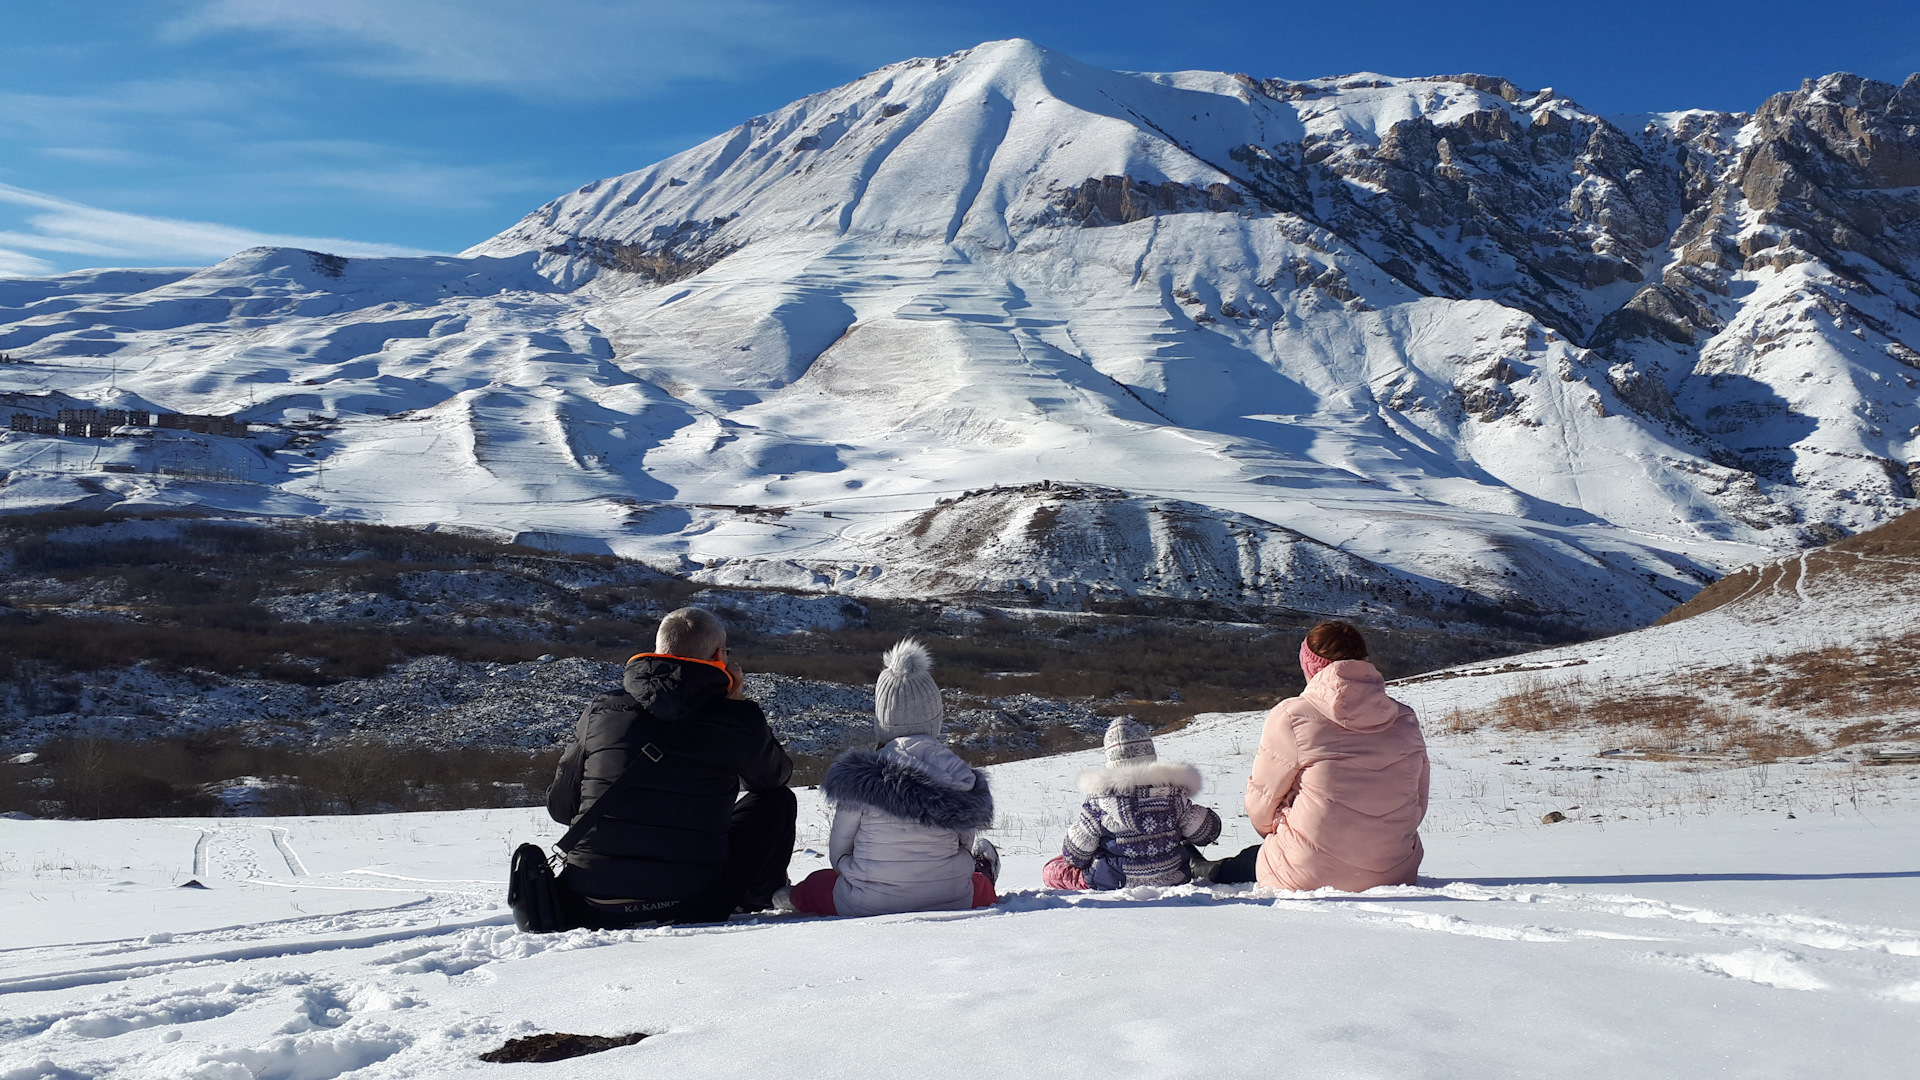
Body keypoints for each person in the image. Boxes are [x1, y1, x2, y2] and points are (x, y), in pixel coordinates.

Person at [548, 606, 796, 927]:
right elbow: (773, 779)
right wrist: (738, 703)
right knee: (778, 801)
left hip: (592, 899)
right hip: (693, 900)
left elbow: (560, 807)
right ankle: (755, 898)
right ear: (719, 654)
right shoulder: (737, 717)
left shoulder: (601, 710)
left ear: (657, 650)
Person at [1190, 621, 1429, 892]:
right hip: (1397, 870)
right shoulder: (1405, 717)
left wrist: (1283, 824)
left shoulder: (1293, 716)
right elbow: (1417, 804)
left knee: (1259, 858)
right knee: (1271, 854)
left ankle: (1205, 870)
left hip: (1310, 874)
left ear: (1311, 667)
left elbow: (1260, 806)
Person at [780, 639, 999, 916]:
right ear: (936, 718)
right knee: (978, 886)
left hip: (867, 901)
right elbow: (964, 845)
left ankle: (788, 897)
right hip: (948, 898)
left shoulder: (861, 778)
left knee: (819, 884)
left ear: (881, 721)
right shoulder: (960, 775)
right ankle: (985, 876)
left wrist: (857, 872)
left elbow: (839, 851)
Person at [1041, 717, 1221, 890]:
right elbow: (1206, 833)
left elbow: (1076, 856)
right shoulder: (1173, 795)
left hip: (1115, 880)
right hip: (1172, 876)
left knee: (1053, 869)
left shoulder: (1099, 801)